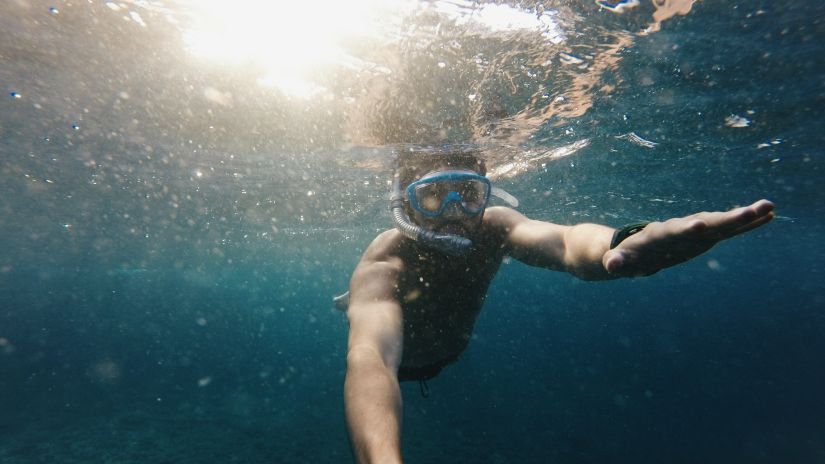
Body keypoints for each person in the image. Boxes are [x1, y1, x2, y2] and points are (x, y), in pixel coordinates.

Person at [340, 146, 774, 464]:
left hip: (450, 356)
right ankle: (351, 302)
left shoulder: (495, 228)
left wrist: (621, 242)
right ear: (405, 204)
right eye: (433, 196)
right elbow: (370, 359)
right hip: (406, 368)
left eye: (468, 194)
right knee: (365, 314)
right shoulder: (386, 261)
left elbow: (565, 240)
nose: (454, 212)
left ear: (485, 195)